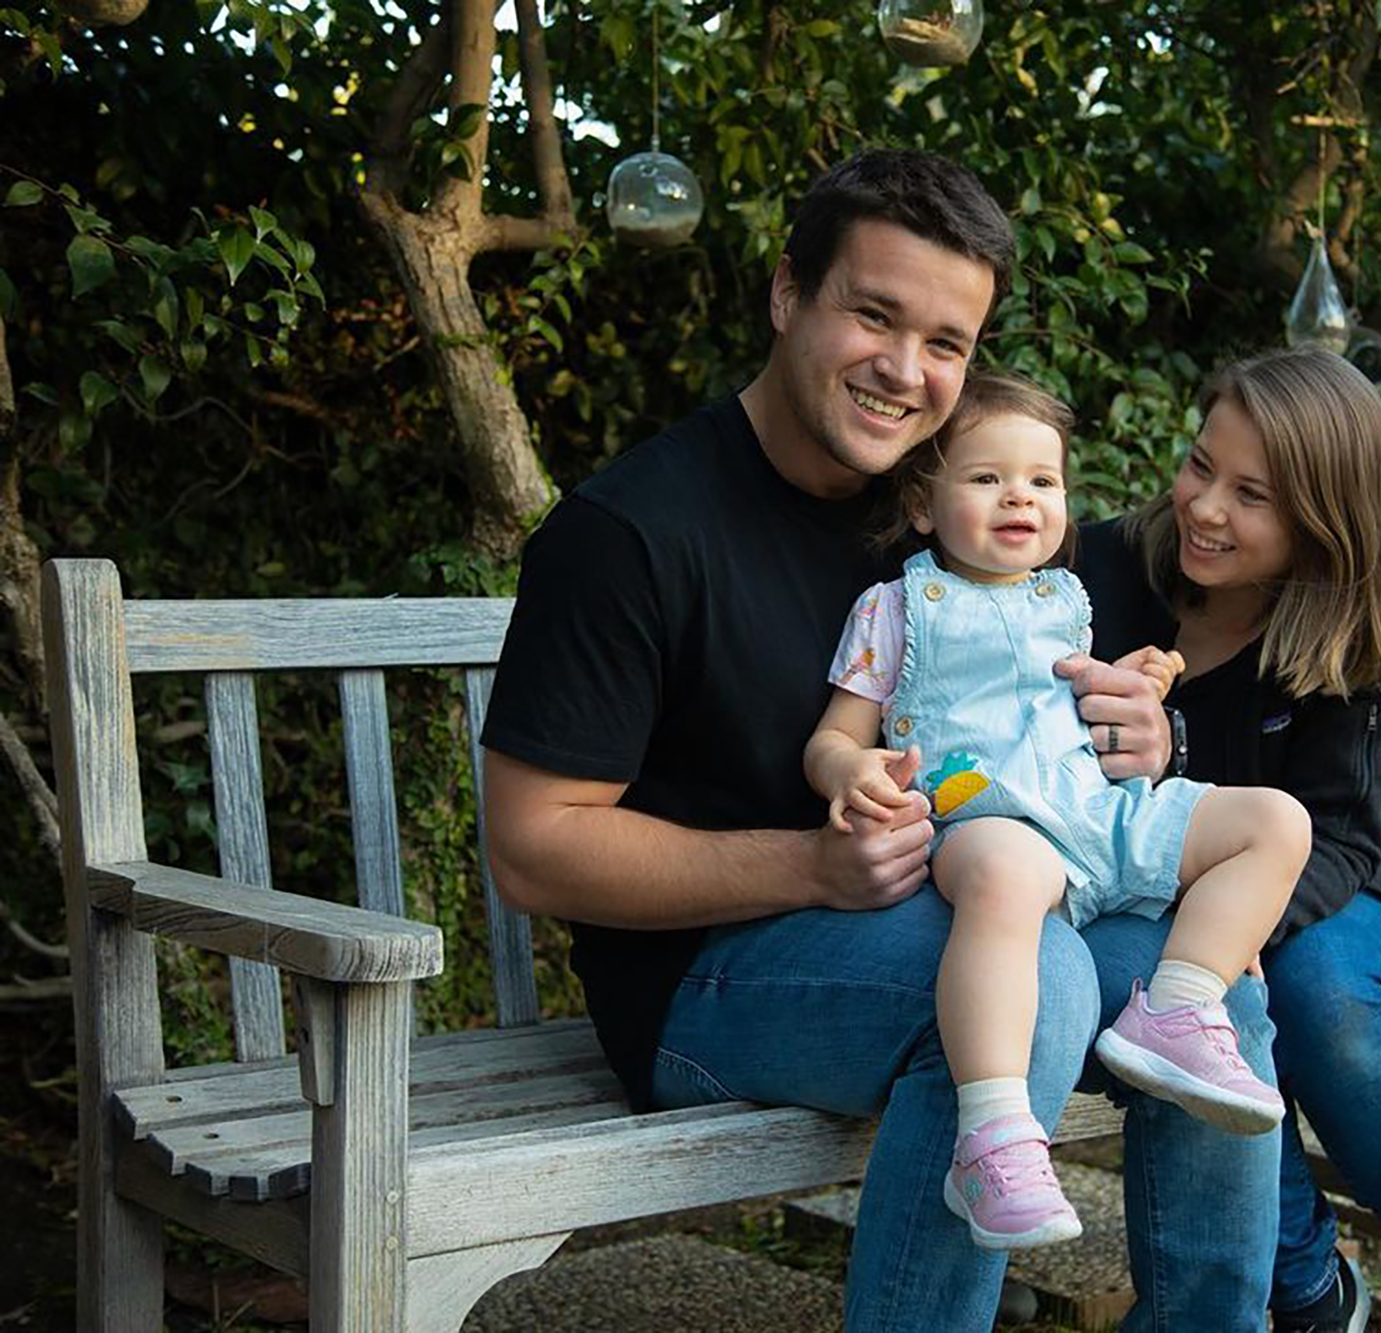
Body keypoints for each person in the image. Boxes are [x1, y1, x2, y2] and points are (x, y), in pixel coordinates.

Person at [479, 148, 1282, 1332]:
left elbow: (1088, 659)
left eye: (946, 343)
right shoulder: (630, 535)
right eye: (873, 315)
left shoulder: (947, 496)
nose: (906, 371)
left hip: (956, 892)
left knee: (1212, 977)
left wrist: (1135, 731)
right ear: (787, 293)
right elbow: (531, 850)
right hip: (704, 976)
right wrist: (806, 863)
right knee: (1047, 979)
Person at [806, 371, 1307, 1249]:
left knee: (1275, 821)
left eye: (1043, 481)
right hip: (986, 821)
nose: (1020, 498)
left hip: (1097, 817)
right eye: (987, 478)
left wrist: (1136, 685)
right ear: (923, 503)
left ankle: (1181, 1005)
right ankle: (994, 1132)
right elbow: (833, 735)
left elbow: (1078, 715)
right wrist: (851, 769)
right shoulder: (896, 608)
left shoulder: (1067, 601)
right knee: (1005, 875)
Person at [1075, 344, 1381, 1333]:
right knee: (1196, 999)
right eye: (1198, 465)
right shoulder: (1100, 567)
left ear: (1322, 518)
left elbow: (1345, 838)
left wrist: (1242, 938)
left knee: (1308, 994)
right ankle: (1305, 1284)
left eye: (1251, 495)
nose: (1204, 506)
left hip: (1336, 894)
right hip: (1144, 891)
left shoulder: (1360, 636)